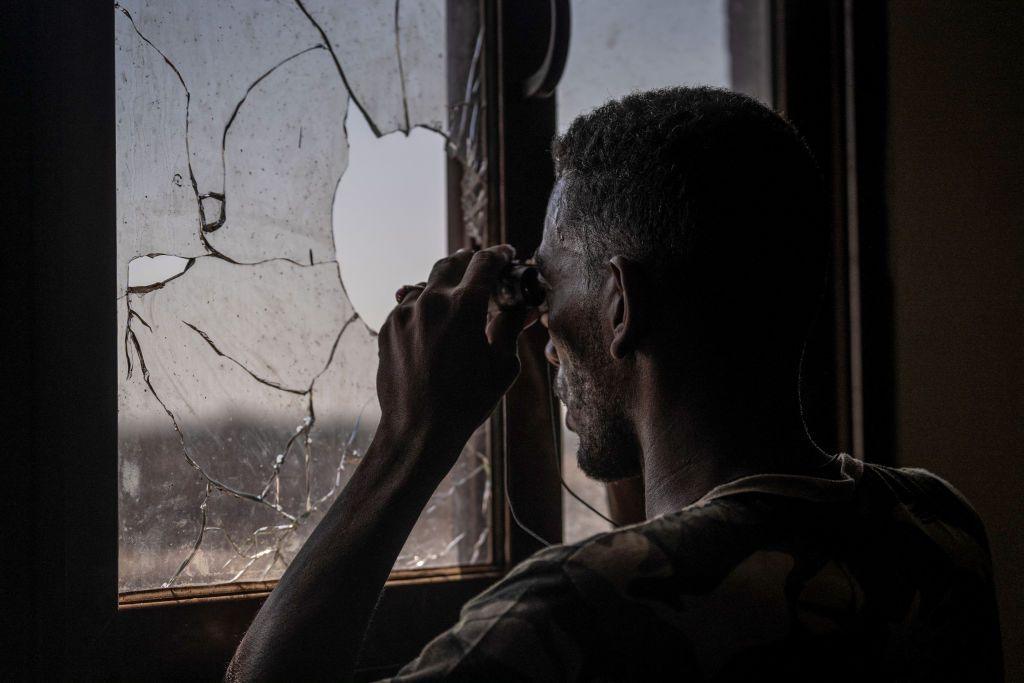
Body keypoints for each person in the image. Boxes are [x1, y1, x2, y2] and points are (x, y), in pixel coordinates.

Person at [227, 87, 1002, 681]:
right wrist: (619, 384)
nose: (543, 334)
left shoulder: (568, 612)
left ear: (621, 305)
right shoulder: (937, 525)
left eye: (543, 290)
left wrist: (409, 437)